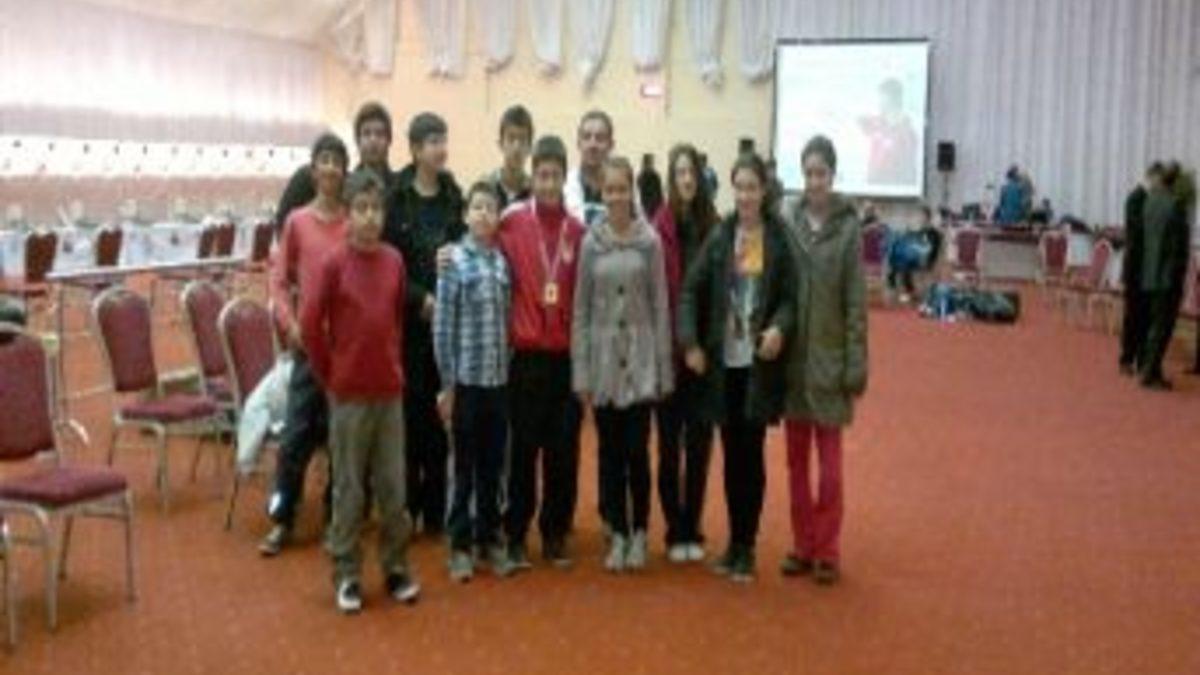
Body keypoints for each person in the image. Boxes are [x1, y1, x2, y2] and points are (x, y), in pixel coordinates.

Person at [300, 168, 420, 613]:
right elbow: (310, 325)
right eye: (361, 209)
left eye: (376, 209)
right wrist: (330, 374)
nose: (370, 217)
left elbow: (396, 322)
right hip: (348, 396)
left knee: (394, 489)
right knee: (349, 491)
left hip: (389, 394)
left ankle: (396, 566)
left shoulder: (394, 262)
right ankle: (347, 573)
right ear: (347, 214)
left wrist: (392, 366)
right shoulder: (332, 263)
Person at [678, 152, 797, 584]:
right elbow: (690, 290)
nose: (745, 195)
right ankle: (733, 543)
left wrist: (780, 327)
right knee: (731, 456)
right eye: (739, 187)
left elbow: (790, 299)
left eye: (752, 187)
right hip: (724, 364)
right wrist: (690, 342)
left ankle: (747, 545)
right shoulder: (721, 235)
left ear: (764, 191)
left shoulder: (779, 240)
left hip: (758, 366)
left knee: (752, 455)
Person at [572, 156, 673, 573]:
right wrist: (581, 372)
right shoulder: (590, 243)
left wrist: (664, 369)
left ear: (632, 191)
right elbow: (580, 311)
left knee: (637, 454)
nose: (615, 196)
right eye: (609, 189)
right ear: (602, 193)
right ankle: (616, 531)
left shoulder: (650, 242)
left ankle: (640, 532)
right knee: (609, 455)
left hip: (642, 364)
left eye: (621, 189)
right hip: (603, 365)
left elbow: (661, 305)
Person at [781, 135, 868, 587]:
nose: (814, 181)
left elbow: (856, 303)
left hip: (831, 362)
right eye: (809, 173)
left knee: (830, 469)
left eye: (822, 173)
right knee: (796, 465)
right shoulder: (788, 221)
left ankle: (828, 549)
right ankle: (803, 544)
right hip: (794, 364)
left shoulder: (849, 230)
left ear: (833, 176)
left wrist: (856, 362)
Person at [497, 135, 586, 572]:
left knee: (563, 452)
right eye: (542, 175)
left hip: (565, 359)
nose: (549, 184)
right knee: (523, 452)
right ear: (532, 178)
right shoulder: (511, 222)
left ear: (564, 178)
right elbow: (480, 242)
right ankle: (515, 533)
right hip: (527, 358)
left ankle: (554, 532)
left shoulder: (578, 230)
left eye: (555, 176)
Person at [261, 132, 349, 557]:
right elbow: (278, 282)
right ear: (313, 170)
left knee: (340, 440)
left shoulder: (354, 222)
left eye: (337, 161)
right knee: (294, 436)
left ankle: (335, 519)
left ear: (344, 172)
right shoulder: (297, 222)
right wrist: (290, 323)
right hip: (307, 349)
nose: (330, 168)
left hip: (345, 353)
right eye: (324, 160)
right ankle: (282, 517)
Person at [383, 112, 465, 536]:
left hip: (447, 326)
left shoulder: (453, 195)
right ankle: (409, 506)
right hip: (409, 325)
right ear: (415, 149)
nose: (440, 148)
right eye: (432, 141)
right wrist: (419, 299)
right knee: (410, 416)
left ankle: (436, 509)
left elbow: (465, 250)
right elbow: (388, 264)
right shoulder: (395, 198)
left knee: (440, 416)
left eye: (443, 140)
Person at [434, 181, 511, 582]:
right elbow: (442, 328)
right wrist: (447, 384)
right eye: (477, 206)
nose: (483, 213)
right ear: (466, 215)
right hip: (465, 384)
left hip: (497, 383)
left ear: (498, 218)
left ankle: (488, 539)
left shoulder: (501, 263)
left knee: (492, 466)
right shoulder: (453, 262)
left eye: (490, 208)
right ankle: (459, 545)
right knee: (462, 468)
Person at [653, 143, 719, 564]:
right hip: (670, 358)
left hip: (704, 360)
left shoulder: (715, 226)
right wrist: (681, 345)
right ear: (670, 179)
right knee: (668, 449)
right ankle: (673, 528)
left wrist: (704, 347)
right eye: (679, 172)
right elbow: (658, 296)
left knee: (699, 449)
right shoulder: (658, 228)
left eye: (691, 171)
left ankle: (693, 525)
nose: (687, 179)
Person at [273, 102, 396, 239]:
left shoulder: (400, 188)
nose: (373, 140)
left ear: (389, 140)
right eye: (366, 134)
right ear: (357, 140)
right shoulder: (341, 182)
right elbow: (283, 227)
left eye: (380, 134)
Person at [1137, 165, 1191, 390]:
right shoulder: (1176, 205)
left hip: (1149, 272)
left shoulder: (1150, 203)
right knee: (1163, 327)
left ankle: (1151, 368)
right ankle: (1150, 373)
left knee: (1153, 324)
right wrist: (1182, 274)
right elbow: (1179, 247)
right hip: (1168, 276)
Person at [564, 109, 644, 229]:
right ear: (578, 143)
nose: (592, 145)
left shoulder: (626, 187)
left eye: (600, 138)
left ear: (611, 144)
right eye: (586, 137)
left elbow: (639, 228)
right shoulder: (564, 185)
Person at [1119, 164, 1157, 375]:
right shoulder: (1135, 198)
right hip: (1135, 268)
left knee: (1145, 317)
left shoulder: (1149, 199)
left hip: (1146, 269)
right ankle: (1127, 358)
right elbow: (1137, 230)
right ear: (1151, 177)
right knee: (1132, 316)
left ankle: (1142, 359)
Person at [858, 78, 918, 186]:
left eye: (882, 98)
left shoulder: (907, 132)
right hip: (873, 185)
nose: (879, 102)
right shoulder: (877, 123)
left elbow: (908, 166)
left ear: (891, 100)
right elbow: (860, 120)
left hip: (896, 188)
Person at [488, 105, 534, 209]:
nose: (516, 147)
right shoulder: (486, 187)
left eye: (522, 139)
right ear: (500, 144)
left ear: (530, 147)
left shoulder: (535, 194)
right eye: (511, 139)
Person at [637, 153, 664, 222]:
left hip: (655, 205)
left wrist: (661, 205)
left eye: (652, 162)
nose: (651, 164)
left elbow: (660, 192)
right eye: (650, 162)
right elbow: (640, 191)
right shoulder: (641, 176)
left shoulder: (655, 176)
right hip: (646, 205)